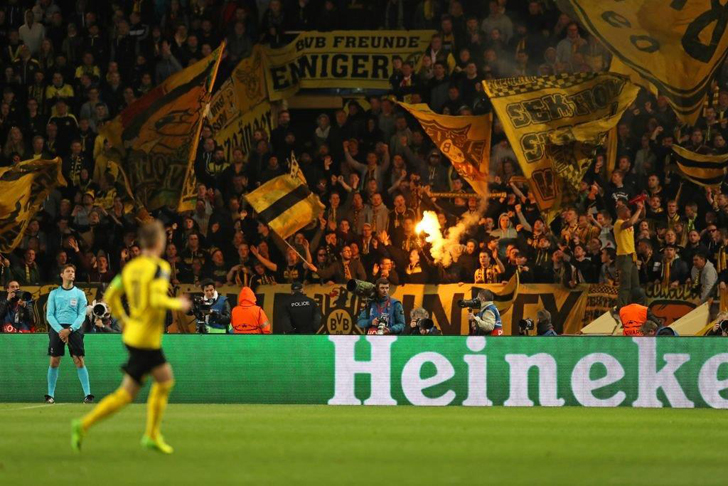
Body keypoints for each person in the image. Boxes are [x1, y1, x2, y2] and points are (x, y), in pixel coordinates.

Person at [72, 221, 192, 454]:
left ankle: (85, 425)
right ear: (160, 242)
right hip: (146, 339)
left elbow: (111, 294)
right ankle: (150, 435)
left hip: (134, 335)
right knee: (159, 383)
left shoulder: (130, 268)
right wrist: (176, 302)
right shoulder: (160, 267)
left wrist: (124, 320)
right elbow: (155, 299)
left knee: (139, 389)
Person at [45, 264, 90, 404]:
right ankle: (50, 395)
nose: (71, 273)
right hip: (57, 329)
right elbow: (50, 315)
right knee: (54, 361)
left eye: (73, 272)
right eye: (68, 271)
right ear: (62, 275)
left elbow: (82, 315)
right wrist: (60, 330)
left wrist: (69, 330)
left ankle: (88, 395)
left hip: (74, 329)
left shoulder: (80, 294)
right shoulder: (54, 293)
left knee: (79, 360)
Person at [614, 200, 644, 309]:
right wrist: (639, 209)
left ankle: (636, 307)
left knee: (635, 285)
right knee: (625, 285)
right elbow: (631, 223)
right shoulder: (618, 223)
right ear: (620, 212)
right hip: (624, 257)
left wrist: (642, 207)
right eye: (627, 210)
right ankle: (621, 308)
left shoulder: (627, 221)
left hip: (632, 257)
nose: (629, 211)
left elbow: (641, 217)